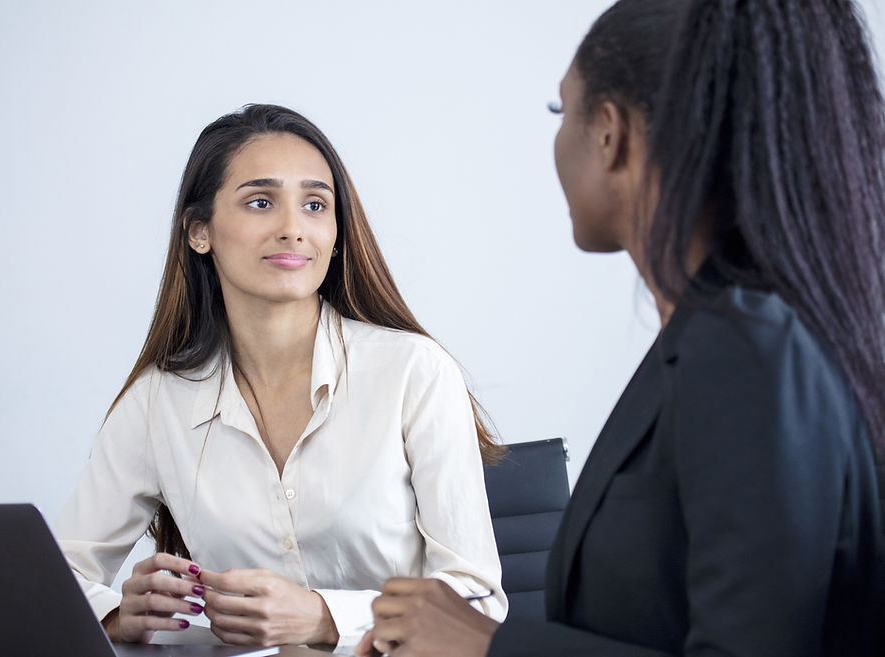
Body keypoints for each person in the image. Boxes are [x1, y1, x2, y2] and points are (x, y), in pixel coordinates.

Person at [356, 0, 885, 655]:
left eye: (562, 111)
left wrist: (488, 642)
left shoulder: (746, 343)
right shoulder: (704, 338)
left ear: (610, 133)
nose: (558, 138)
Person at [55, 104, 507, 649]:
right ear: (200, 232)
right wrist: (115, 613)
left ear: (336, 234)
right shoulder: (158, 402)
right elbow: (56, 579)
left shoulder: (413, 370)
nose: (293, 228)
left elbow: (478, 599)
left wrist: (324, 617)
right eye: (261, 202)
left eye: (315, 204)